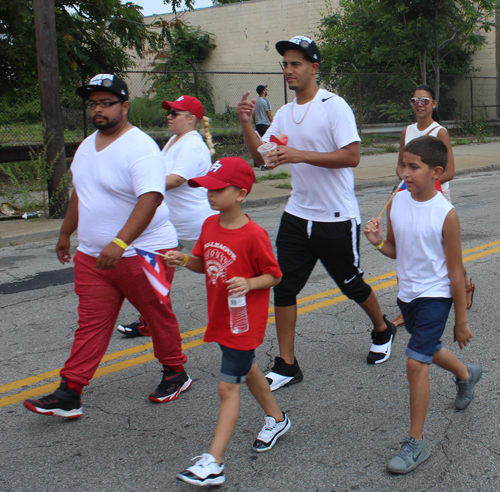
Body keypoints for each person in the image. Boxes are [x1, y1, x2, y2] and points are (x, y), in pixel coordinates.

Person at [23, 74, 191, 418]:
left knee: (156, 314)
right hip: (94, 255)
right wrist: (66, 233)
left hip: (144, 252)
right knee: (91, 323)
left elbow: (151, 198)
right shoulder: (86, 146)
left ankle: (176, 372)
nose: (98, 110)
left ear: (124, 106)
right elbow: (81, 193)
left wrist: (120, 242)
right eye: (93, 103)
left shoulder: (139, 146)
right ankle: (70, 391)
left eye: (106, 103)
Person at [237, 35, 397, 391]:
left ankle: (383, 328)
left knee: (351, 283)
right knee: (284, 286)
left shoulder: (333, 106)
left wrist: (299, 154)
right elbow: (263, 158)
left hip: (336, 215)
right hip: (297, 214)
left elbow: (352, 156)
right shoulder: (284, 112)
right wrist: (247, 124)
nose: (289, 70)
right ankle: (287, 364)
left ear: (314, 67)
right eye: (285, 65)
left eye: (296, 64)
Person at [167, 157, 289, 487]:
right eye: (208, 188)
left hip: (243, 324)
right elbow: (202, 264)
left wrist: (250, 283)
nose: (210, 194)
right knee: (248, 370)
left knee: (227, 387)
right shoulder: (209, 226)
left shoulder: (253, 234)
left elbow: (274, 276)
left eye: (218, 189)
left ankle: (214, 462)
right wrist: (183, 260)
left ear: (241, 194)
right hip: (220, 318)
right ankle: (277, 419)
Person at [364, 135, 482, 474]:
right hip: (408, 295)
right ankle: (465, 373)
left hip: (437, 295)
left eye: (414, 167)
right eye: (403, 164)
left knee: (416, 362)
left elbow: (456, 272)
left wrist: (461, 319)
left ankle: (416, 443)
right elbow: (396, 250)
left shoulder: (446, 214)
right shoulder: (398, 201)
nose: (405, 172)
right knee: (426, 348)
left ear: (437, 172)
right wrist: (377, 242)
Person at [117, 95, 217, 338]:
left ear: (190, 119)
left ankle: (234, 318)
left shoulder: (192, 143)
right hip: (170, 224)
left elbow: (175, 180)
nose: (168, 117)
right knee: (152, 275)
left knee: (217, 274)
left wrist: (138, 186)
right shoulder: (174, 140)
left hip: (195, 225)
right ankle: (150, 322)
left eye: (175, 113)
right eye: (168, 112)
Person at [391, 84, 475, 329]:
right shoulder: (407, 131)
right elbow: (399, 165)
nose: (419, 104)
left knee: (440, 251)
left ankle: (464, 283)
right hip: (411, 195)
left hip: (436, 196)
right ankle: (410, 302)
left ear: (434, 104)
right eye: (414, 100)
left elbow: (449, 171)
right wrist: (407, 183)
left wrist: (425, 183)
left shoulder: (440, 131)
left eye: (425, 100)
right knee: (409, 247)